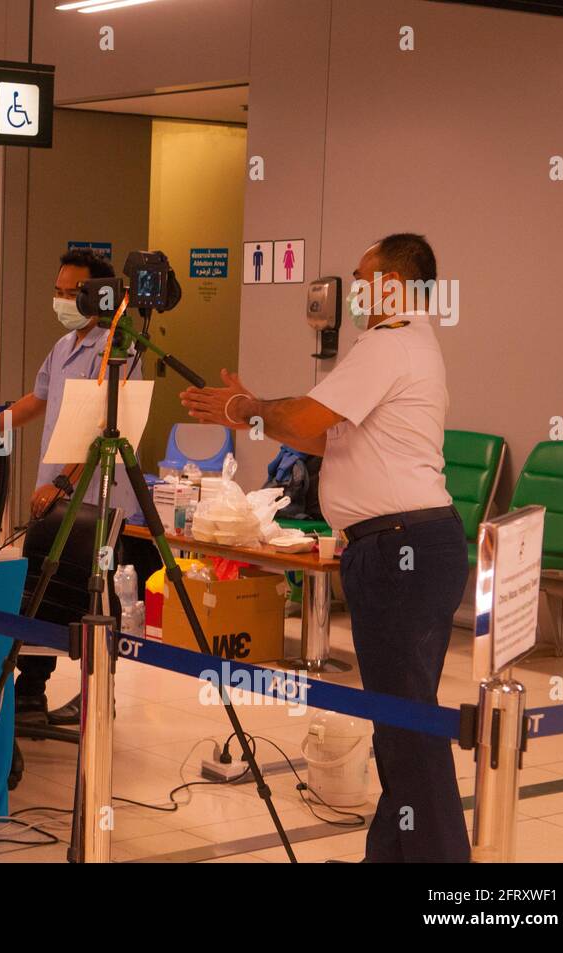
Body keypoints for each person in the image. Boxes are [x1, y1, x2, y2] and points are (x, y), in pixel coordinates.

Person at [180, 233, 469, 863]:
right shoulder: (410, 344)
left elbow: (307, 420)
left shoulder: (390, 342)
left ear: (393, 282)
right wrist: (253, 412)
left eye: (363, 277)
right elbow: (329, 440)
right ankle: (391, 857)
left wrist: (244, 407)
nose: (356, 289)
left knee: (408, 725)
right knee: (400, 718)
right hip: (409, 545)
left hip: (403, 548)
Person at [0, 249, 143, 785]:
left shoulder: (117, 350)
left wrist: (65, 482)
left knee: (91, 590)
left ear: (97, 295)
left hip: (93, 495)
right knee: (39, 585)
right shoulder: (63, 346)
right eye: (57, 289)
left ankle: (98, 692)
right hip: (48, 494)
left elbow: (108, 422)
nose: (61, 300)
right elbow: (37, 401)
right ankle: (30, 689)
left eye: (70, 291)